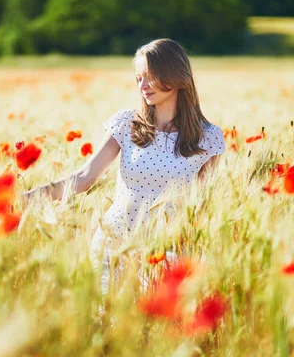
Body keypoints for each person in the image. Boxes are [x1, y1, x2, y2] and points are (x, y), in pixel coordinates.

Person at [21, 38, 225, 292]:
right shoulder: (127, 124)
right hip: (114, 245)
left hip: (169, 251)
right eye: (138, 78)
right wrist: (27, 198)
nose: (143, 86)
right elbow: (84, 177)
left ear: (175, 75)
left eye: (149, 76)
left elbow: (202, 205)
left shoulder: (209, 137)